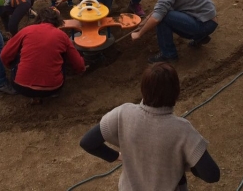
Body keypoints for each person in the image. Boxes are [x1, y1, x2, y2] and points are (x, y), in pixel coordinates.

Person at [79, 63, 221, 190]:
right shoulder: (183, 130)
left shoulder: (122, 113)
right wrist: (190, 164)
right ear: (176, 92)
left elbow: (88, 142)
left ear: (143, 89)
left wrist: (116, 156)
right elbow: (211, 175)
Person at [131, 0, 218, 64]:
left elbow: (157, 17)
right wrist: (143, 23)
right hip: (208, 20)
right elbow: (160, 8)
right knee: (165, 13)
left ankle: (168, 54)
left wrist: (139, 34)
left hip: (204, 24)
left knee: (163, 18)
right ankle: (200, 37)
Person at [0, 7, 85, 98]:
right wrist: (81, 68)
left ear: (39, 19)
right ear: (57, 21)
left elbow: (4, 55)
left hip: (20, 86)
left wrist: (11, 66)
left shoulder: (27, 30)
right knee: (62, 54)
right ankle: (50, 89)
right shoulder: (62, 36)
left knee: (18, 53)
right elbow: (78, 64)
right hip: (53, 88)